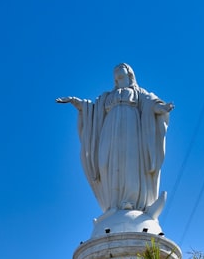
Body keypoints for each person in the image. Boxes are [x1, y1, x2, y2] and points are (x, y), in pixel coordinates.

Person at [57, 64, 174, 215]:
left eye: (121, 68)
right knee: (106, 163)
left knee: (129, 162)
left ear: (129, 73)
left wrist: (163, 108)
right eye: (115, 70)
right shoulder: (107, 97)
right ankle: (113, 202)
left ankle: (129, 200)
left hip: (131, 128)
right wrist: (76, 102)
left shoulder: (138, 92)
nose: (117, 70)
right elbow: (91, 110)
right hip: (109, 129)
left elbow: (152, 103)